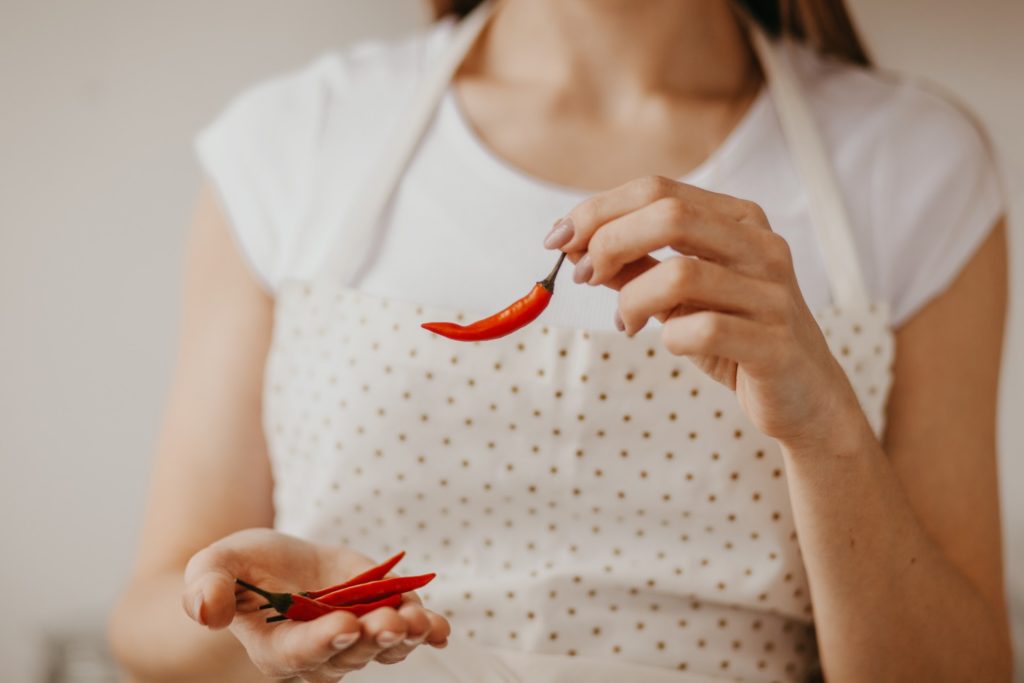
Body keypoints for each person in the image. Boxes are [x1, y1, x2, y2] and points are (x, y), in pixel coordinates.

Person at [108, 0, 1012, 680]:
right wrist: (253, 616)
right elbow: (148, 621)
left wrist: (826, 430)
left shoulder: (914, 166)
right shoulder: (294, 142)